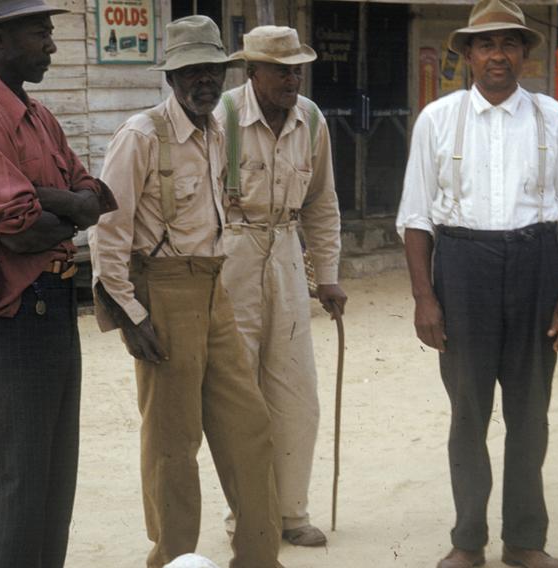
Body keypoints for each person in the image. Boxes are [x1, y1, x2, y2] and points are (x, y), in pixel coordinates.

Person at [395, 1, 558, 567]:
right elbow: (416, 218)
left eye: (510, 44)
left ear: (526, 55)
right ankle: (468, 541)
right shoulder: (438, 119)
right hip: (463, 270)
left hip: (535, 266)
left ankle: (525, 541)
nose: (498, 55)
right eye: (486, 45)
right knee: (468, 415)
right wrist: (425, 298)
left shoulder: (553, 119)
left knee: (530, 415)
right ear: (467, 55)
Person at [87, 15, 282, 568]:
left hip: (214, 288)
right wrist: (130, 315)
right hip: (163, 295)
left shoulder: (218, 131)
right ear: (171, 77)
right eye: (192, 71)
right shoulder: (141, 135)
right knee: (174, 444)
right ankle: (173, 559)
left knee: (250, 428)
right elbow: (109, 233)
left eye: (212, 70)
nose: (204, 81)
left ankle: (259, 558)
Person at [0, 1, 117, 565]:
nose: (52, 46)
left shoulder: (36, 116)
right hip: (13, 311)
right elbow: (15, 229)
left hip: (54, 303)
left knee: (52, 477)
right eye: (41, 33)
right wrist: (62, 206)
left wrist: (46, 199)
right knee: (15, 479)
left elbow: (97, 195)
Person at [213, 25, 346, 547]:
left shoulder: (311, 119)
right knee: (238, 393)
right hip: (233, 254)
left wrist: (328, 276)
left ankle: (292, 512)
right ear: (253, 71)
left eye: (297, 68)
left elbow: (322, 202)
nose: (292, 78)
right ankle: (247, 516)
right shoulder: (221, 115)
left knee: (296, 392)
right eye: (280, 69)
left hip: (287, 252)